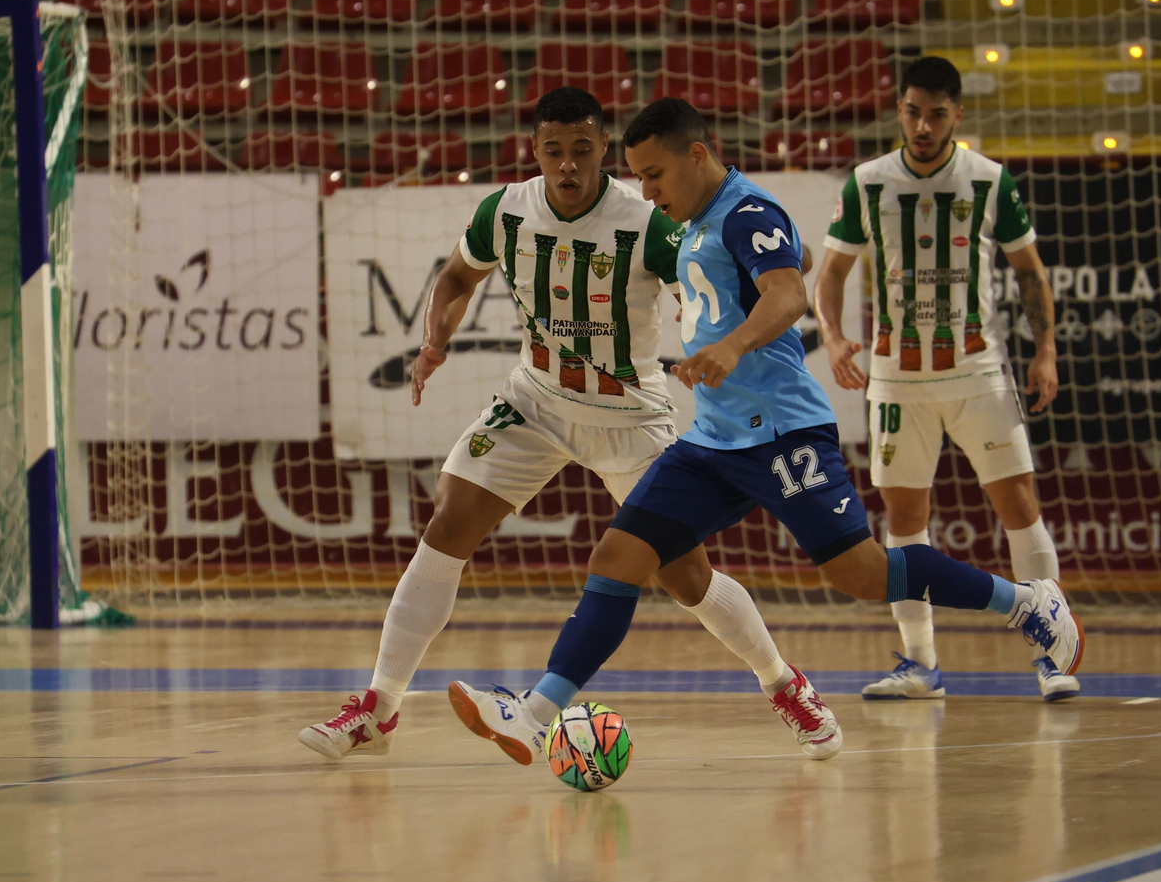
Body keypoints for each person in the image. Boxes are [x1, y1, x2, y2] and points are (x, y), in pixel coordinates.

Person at [446, 98, 1085, 763]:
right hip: (712, 441)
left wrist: (732, 345)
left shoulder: (746, 209)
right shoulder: (698, 221)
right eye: (638, 177)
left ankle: (1026, 603)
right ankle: (535, 714)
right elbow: (791, 258)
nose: (647, 191)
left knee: (861, 572)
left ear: (697, 154)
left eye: (655, 174)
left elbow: (788, 293)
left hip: (782, 432)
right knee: (617, 559)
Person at [299, 88, 842, 763]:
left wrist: (753, 288)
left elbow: (729, 274)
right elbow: (456, 277)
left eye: (582, 150)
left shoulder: (649, 221)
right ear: (534, 150)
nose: (567, 165)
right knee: (448, 523)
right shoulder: (505, 210)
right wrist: (436, 340)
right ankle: (378, 709)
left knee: (686, 578)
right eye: (553, 151)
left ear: (604, 149)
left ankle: (784, 684)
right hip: (537, 401)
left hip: (630, 414)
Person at [814, 56, 1079, 703]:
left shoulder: (988, 179)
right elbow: (830, 275)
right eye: (913, 112)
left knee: (1018, 504)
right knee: (905, 516)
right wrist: (834, 337)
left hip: (978, 370)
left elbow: (1030, 271)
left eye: (936, 114)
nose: (923, 126)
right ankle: (920, 664)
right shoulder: (868, 182)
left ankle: (1053, 656)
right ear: (898, 112)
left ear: (957, 115)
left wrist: (1045, 350)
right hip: (897, 378)